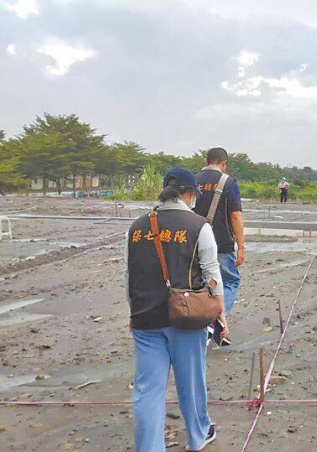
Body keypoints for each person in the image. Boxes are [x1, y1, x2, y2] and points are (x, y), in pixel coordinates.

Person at [126, 168, 227, 452]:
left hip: (145, 318)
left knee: (147, 391)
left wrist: (132, 313)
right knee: (191, 383)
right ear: (190, 193)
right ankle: (198, 437)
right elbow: (212, 274)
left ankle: (149, 447)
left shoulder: (135, 227)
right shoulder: (198, 226)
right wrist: (220, 312)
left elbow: (129, 274)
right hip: (187, 318)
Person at [193, 148, 244, 320]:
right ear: (224, 163)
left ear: (206, 162)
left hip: (193, 242)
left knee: (198, 280)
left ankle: (199, 315)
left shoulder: (192, 181)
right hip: (221, 242)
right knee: (229, 280)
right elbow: (236, 216)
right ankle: (217, 318)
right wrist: (241, 247)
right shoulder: (228, 182)